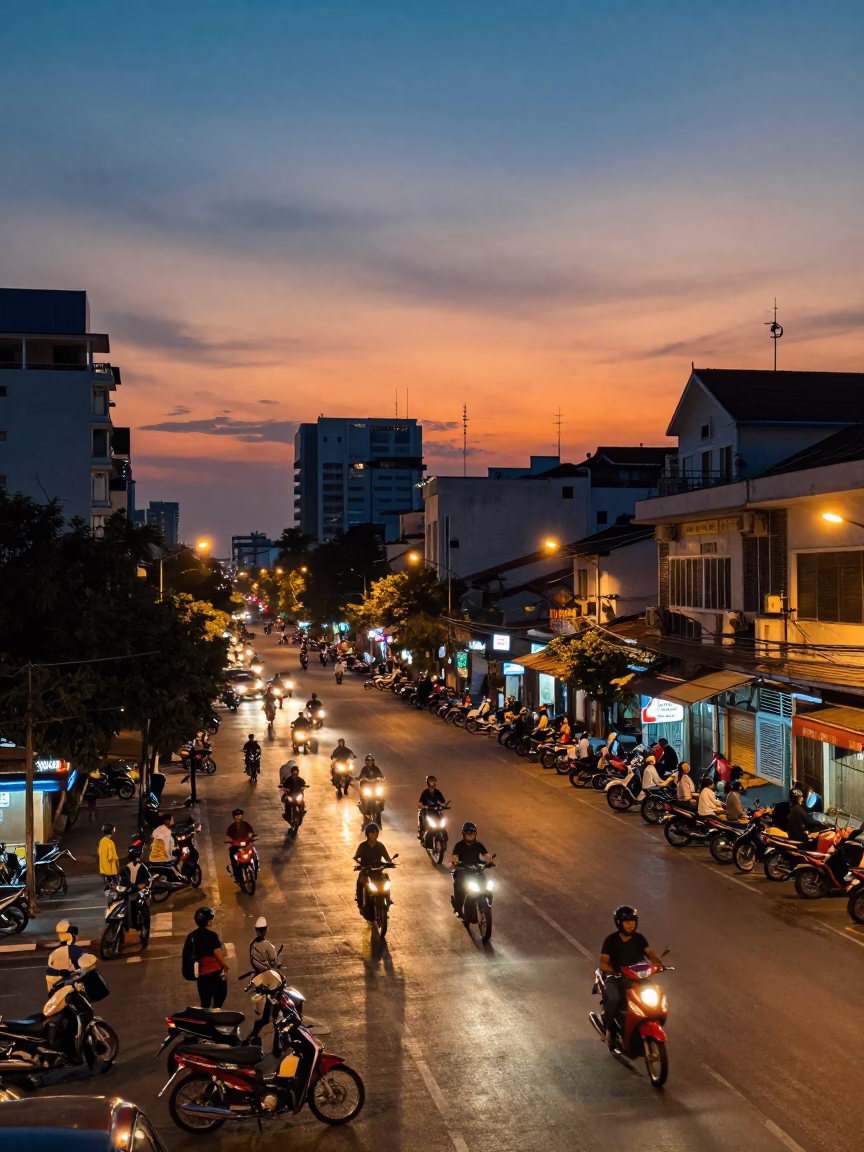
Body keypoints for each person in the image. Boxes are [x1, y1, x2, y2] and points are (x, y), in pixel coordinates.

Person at [599, 906, 663, 1048]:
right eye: (626, 922)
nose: (630, 924)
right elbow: (603, 962)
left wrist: (658, 964)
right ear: (618, 923)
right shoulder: (611, 940)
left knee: (655, 995)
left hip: (638, 978)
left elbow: (651, 954)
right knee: (614, 999)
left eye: (633, 921)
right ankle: (609, 1030)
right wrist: (612, 972)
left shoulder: (639, 939)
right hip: (616, 979)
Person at [185, 906, 229, 1009]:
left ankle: (205, 1021)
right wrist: (225, 965)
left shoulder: (191, 936)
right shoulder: (212, 935)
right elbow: (217, 952)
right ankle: (214, 1019)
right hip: (215, 973)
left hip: (201, 975)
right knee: (218, 1002)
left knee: (205, 1003)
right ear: (207, 921)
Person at [450, 822, 493, 918]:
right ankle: (459, 909)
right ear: (463, 834)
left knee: (487, 888)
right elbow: (454, 858)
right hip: (463, 871)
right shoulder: (459, 845)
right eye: (468, 833)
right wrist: (454, 864)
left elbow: (486, 855)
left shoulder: (478, 845)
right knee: (459, 887)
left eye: (473, 833)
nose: (471, 835)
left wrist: (490, 862)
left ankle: (484, 906)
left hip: (477, 871)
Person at [246, 916, 279, 1043]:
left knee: (265, 1009)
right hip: (267, 980)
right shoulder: (268, 946)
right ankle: (257, 1034)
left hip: (257, 979)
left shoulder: (251, 944)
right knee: (270, 1012)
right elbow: (274, 962)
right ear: (265, 930)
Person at [353, 822, 394, 909]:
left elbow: (387, 857)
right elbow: (356, 858)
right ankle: (359, 901)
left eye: (376, 834)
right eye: (372, 834)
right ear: (368, 834)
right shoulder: (363, 846)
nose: (375, 836)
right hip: (366, 870)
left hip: (377, 870)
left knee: (386, 879)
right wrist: (360, 865)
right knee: (360, 880)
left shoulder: (380, 845)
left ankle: (388, 899)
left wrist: (390, 862)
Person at [46, 921, 89, 991]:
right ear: (72, 934)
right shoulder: (74, 949)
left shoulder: (54, 952)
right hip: (66, 983)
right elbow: (81, 965)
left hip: (52, 983)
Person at [226, 809, 256, 879]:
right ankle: (237, 875)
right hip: (236, 846)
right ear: (234, 817)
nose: (238, 818)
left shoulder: (246, 825)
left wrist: (250, 835)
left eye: (239, 816)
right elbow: (228, 837)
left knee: (253, 853)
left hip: (246, 845)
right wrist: (229, 840)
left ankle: (255, 866)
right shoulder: (231, 827)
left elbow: (251, 832)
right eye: (236, 816)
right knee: (233, 856)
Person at [418, 774, 446, 839]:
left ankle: (443, 831)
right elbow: (420, 804)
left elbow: (442, 801)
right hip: (427, 810)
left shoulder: (437, 792)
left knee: (442, 817)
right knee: (422, 814)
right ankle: (422, 833)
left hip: (435, 810)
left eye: (433, 781)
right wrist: (425, 807)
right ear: (428, 783)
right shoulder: (425, 792)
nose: (432, 783)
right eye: (430, 781)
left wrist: (443, 806)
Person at [98, 823, 119, 891]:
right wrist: (117, 866)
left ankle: (108, 898)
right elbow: (111, 857)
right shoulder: (110, 842)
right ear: (111, 831)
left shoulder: (101, 841)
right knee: (115, 887)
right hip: (111, 870)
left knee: (108, 886)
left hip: (104, 870)